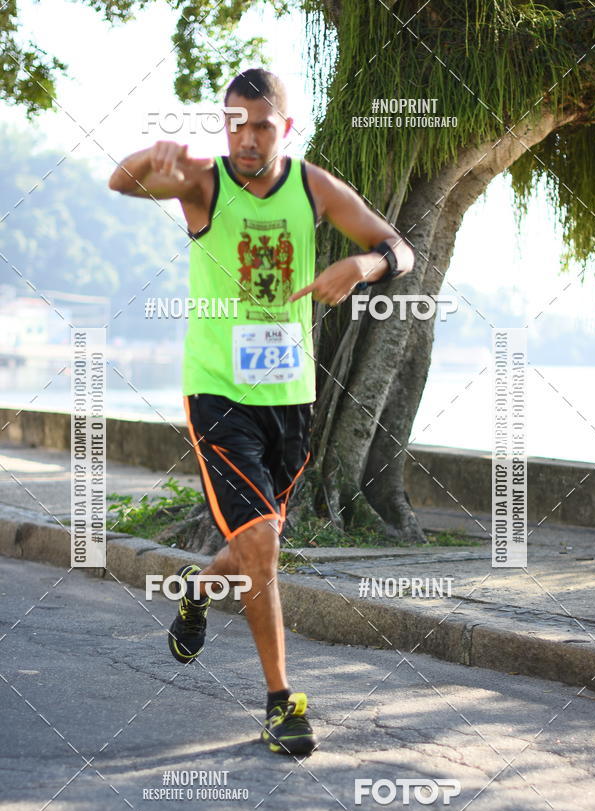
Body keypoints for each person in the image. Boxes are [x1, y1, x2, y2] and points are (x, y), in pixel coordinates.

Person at [108, 68, 414, 756]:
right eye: (234, 123)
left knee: (255, 545)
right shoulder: (205, 184)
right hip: (218, 395)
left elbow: (399, 247)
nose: (246, 138)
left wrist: (358, 269)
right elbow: (121, 184)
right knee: (265, 548)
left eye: (262, 125)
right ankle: (281, 700)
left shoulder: (313, 188)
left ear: (287, 127)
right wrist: (149, 157)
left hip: (289, 401)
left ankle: (196, 586)